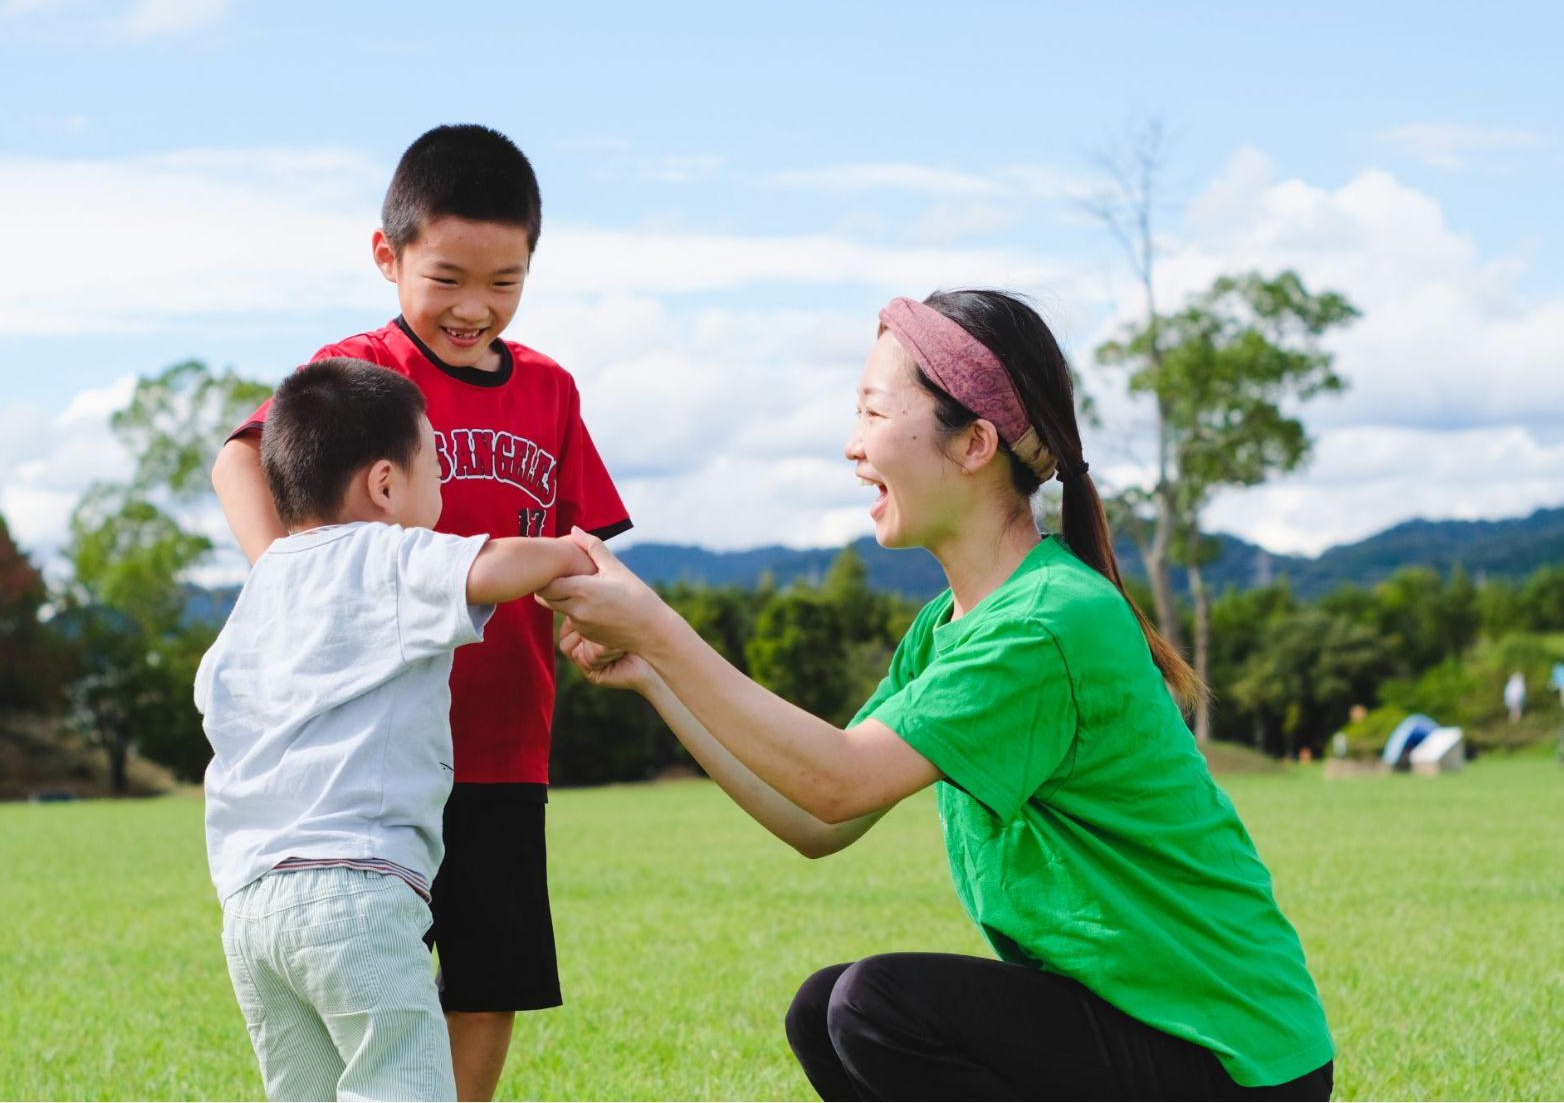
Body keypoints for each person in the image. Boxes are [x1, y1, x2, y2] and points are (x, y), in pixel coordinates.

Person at [542, 290, 1335, 1100]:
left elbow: (837, 778)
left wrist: (660, 627)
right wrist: (653, 675)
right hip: (1137, 1029)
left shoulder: (1049, 623)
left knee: (875, 1008)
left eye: (874, 413)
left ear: (974, 444)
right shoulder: (948, 627)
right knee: (824, 1010)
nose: (853, 447)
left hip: (1233, 1060)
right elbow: (821, 820)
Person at [211, 125, 631, 1100]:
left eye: (505, 282)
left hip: (497, 738)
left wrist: (591, 618)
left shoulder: (548, 391)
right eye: (446, 278)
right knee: (366, 971)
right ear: (386, 256)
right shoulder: (356, 374)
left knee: (489, 976)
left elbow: (582, 541)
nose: (473, 308)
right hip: (360, 751)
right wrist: (296, 572)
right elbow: (240, 456)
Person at [199, 359, 595, 1102]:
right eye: (436, 469)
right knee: (403, 1085)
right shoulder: (386, 553)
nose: (444, 493)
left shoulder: (261, 592)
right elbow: (493, 568)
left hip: (251, 907)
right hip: (356, 894)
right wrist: (572, 555)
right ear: (385, 486)